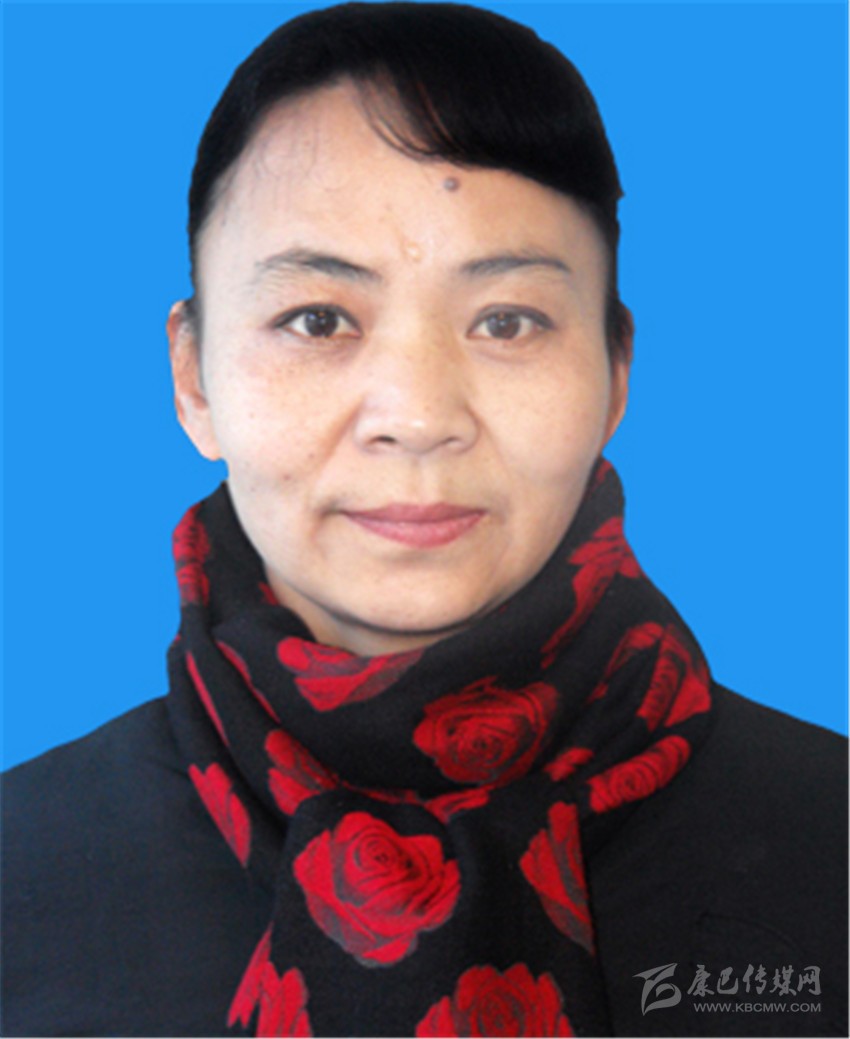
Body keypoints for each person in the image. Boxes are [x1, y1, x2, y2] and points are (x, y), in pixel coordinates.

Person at [2, 4, 846, 1037]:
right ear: (193, 378)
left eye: (507, 321)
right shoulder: (21, 868)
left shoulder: (831, 841)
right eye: (318, 319)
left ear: (616, 371)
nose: (416, 415)